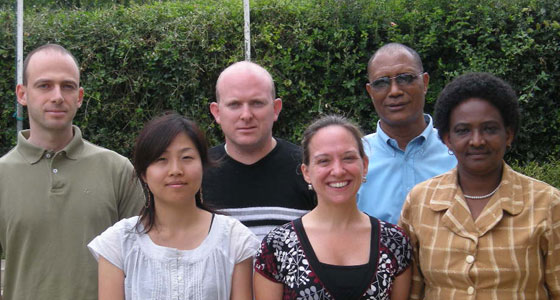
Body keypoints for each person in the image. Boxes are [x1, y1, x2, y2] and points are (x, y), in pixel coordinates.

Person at [0, 44, 143, 300]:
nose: (57, 96)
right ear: (22, 94)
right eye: (44, 85)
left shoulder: (118, 170)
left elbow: (144, 263)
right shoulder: (2, 176)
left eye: (67, 86)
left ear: (79, 96)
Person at [399, 72, 560, 299]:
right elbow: (410, 293)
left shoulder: (547, 204)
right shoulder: (420, 202)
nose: (477, 141)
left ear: (509, 135)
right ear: (447, 139)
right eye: (463, 130)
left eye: (490, 129)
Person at [88, 113, 259, 300]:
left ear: (202, 165)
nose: (176, 170)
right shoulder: (118, 243)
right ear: (144, 173)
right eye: (162, 159)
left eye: (186, 157)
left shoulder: (234, 239)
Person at [254, 115, 412, 300]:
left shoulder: (395, 242)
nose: (337, 171)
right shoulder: (277, 246)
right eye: (324, 161)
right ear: (306, 173)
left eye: (348, 158)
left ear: (365, 165)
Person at [203, 61, 315, 240]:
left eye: (256, 103)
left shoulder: (309, 169)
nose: (246, 115)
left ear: (276, 108)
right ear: (216, 112)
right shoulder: (197, 173)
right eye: (234, 105)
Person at [357, 43, 456, 224]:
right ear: (370, 92)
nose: (394, 91)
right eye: (381, 83)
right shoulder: (353, 157)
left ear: (425, 83)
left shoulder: (457, 152)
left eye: (405, 78)